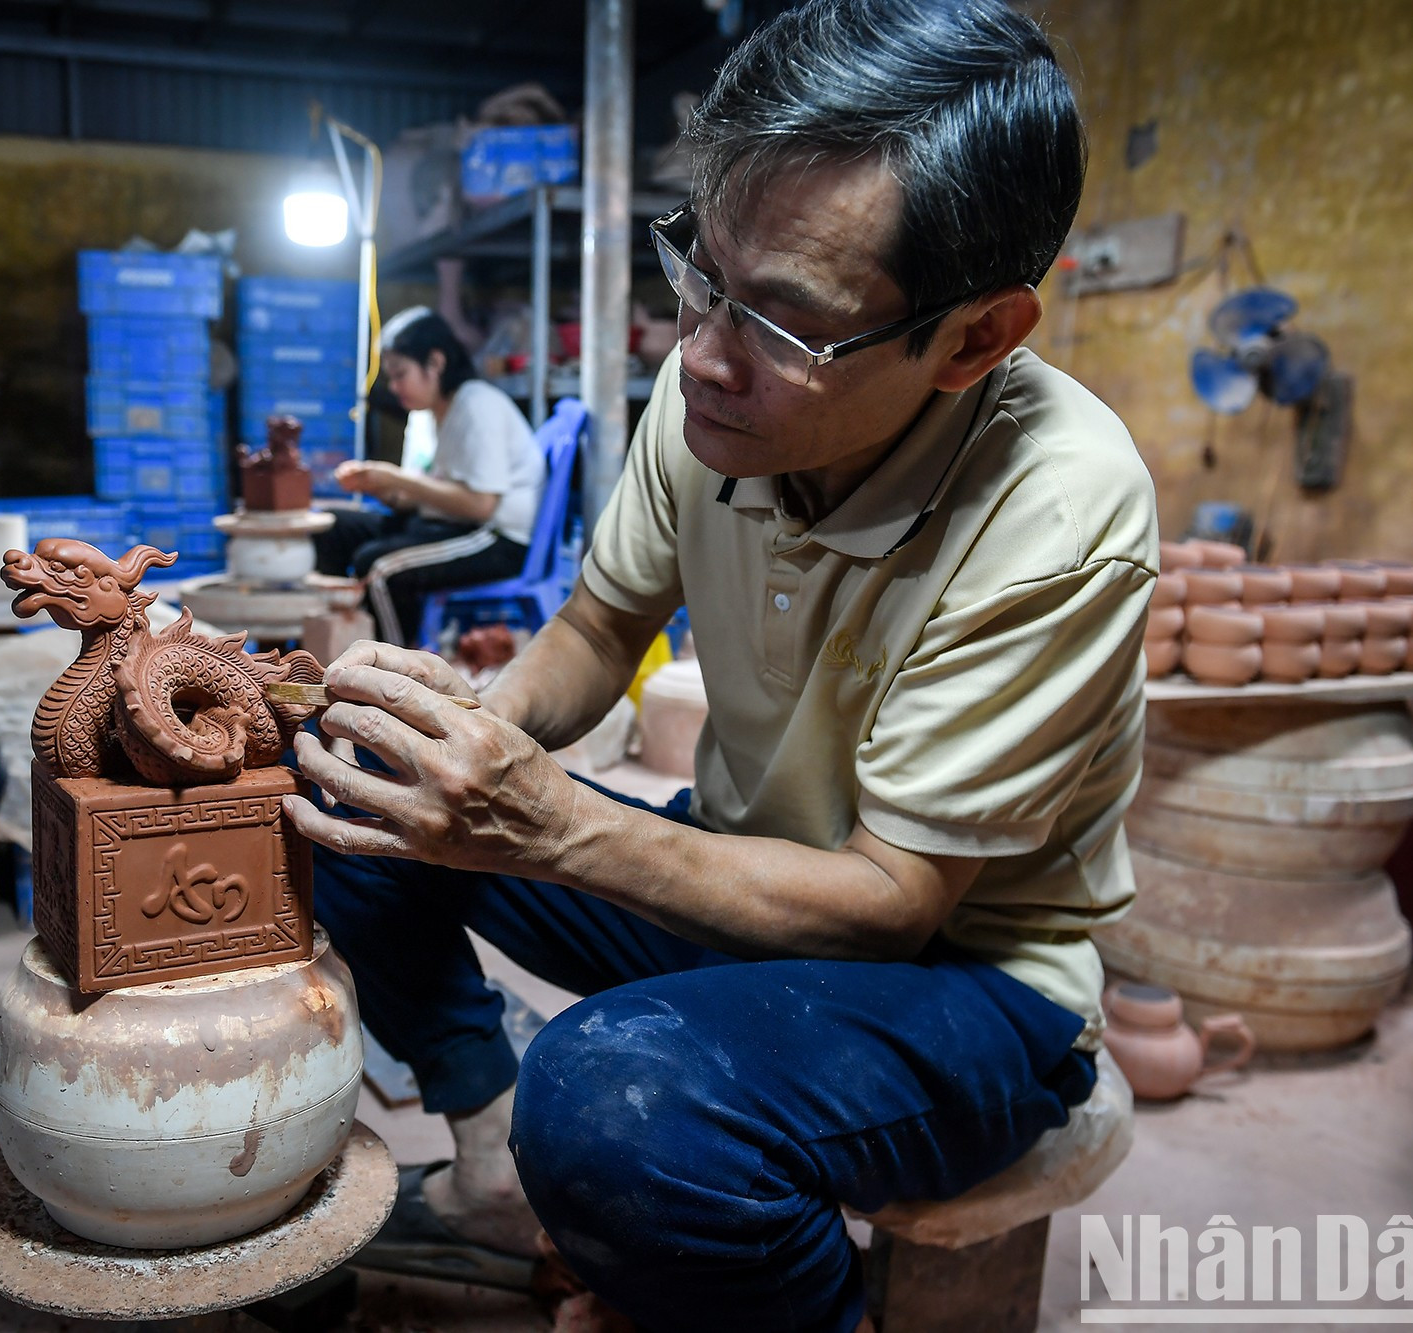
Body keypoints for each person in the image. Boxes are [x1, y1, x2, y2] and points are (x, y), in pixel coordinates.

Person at [284, 2, 1156, 1330]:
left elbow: (890, 901)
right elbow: (592, 632)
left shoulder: (1060, 511)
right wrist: (476, 723)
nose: (696, 352)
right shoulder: (711, 401)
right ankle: (484, 1163)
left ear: (975, 338)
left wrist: (553, 820)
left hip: (971, 980)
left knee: (613, 1104)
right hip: (740, 868)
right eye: (701, 271)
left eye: (785, 323)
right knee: (357, 782)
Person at [312, 308, 545, 645]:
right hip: (445, 521)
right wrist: (379, 487)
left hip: (495, 537)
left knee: (380, 570)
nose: (393, 387)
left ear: (435, 363)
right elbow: (416, 497)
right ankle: (333, 644)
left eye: (400, 374)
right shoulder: (425, 415)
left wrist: (397, 479)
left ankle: (390, 675)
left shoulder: (477, 406)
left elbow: (480, 505)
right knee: (332, 526)